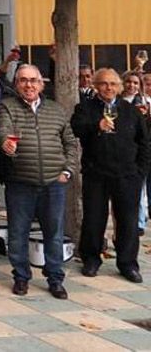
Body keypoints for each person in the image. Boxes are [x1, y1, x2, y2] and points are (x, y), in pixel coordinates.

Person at [0, 64, 78, 299]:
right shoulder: (7, 106)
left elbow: (70, 143)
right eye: (23, 80)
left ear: (42, 84)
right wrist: (6, 145)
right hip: (20, 182)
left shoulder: (56, 110)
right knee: (18, 233)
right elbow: (2, 132)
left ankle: (55, 278)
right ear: (16, 83)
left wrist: (68, 170)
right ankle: (21, 277)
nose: (29, 85)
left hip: (54, 182)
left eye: (33, 80)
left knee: (54, 233)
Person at [71, 68, 150, 283]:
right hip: (96, 172)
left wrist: (140, 171)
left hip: (127, 174)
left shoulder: (130, 110)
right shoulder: (85, 108)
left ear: (120, 87)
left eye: (113, 84)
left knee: (128, 221)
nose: (109, 88)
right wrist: (97, 125)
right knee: (94, 218)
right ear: (96, 86)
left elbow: (144, 142)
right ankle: (91, 259)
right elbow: (76, 128)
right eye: (104, 84)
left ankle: (127, 264)